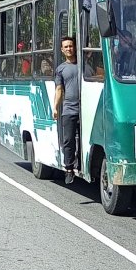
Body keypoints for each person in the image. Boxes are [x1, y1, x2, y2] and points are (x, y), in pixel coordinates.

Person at [52, 36, 79, 185]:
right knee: (68, 140)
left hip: (84, 108)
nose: (69, 49)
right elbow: (59, 89)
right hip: (69, 109)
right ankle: (69, 169)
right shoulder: (61, 69)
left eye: (71, 46)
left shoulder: (84, 65)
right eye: (66, 47)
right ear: (62, 50)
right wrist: (55, 107)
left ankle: (80, 162)